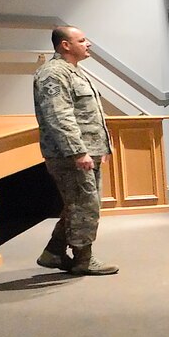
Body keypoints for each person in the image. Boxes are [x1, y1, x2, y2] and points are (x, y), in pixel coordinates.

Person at [31, 26, 119, 274]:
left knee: (77, 203)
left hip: (86, 151)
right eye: (81, 40)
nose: (88, 43)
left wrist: (98, 147)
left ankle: (53, 252)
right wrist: (78, 152)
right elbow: (59, 117)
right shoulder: (53, 74)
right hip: (69, 155)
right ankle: (83, 259)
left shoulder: (73, 72)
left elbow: (87, 115)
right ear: (65, 45)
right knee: (84, 204)